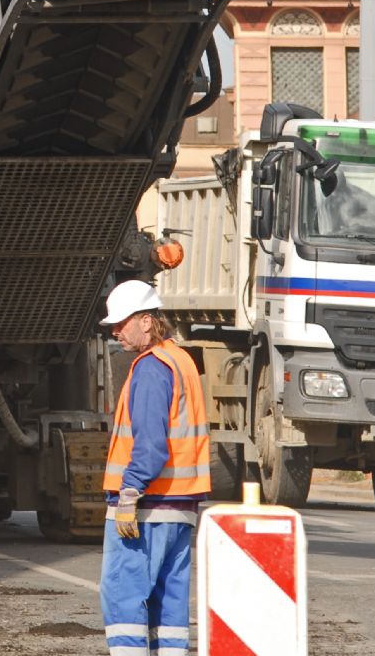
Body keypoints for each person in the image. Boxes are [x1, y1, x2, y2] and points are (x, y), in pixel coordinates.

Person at [99, 280, 210, 656]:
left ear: (146, 321)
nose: (115, 329)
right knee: (170, 606)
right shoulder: (180, 360)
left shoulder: (150, 368)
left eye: (122, 322)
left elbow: (150, 446)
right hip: (181, 509)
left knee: (124, 599)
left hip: (148, 507)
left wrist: (129, 493)